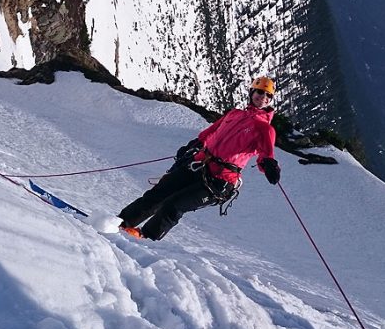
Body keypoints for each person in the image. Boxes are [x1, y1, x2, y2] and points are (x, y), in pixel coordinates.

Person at [118, 76, 282, 240]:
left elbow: (265, 155)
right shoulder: (234, 114)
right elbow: (210, 132)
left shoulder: (265, 129)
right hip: (199, 163)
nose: (263, 97)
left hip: (220, 181)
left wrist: (269, 166)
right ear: (252, 92)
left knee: (174, 205)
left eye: (268, 96)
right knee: (158, 193)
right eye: (260, 92)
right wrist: (193, 145)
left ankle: (145, 237)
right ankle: (121, 222)